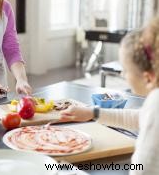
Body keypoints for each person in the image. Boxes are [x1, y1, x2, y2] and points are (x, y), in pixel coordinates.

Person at [60, 16, 159, 174]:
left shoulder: (155, 106)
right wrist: (93, 113)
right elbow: (139, 117)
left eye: (126, 70)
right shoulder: (155, 101)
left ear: (148, 77)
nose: (123, 75)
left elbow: (143, 169)